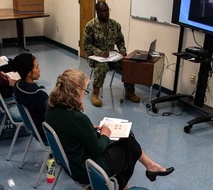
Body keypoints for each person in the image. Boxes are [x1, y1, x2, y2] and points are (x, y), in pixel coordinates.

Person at [44, 69, 174, 190]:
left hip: (71, 162)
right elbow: (97, 150)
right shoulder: (77, 118)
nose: (84, 93)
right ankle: (143, 173)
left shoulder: (51, 108)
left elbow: (69, 132)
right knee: (127, 142)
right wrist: (105, 135)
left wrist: (88, 130)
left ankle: (146, 169)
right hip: (87, 168)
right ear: (77, 90)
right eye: (85, 89)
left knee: (126, 139)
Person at [83, 1, 140, 107]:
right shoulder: (90, 26)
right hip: (95, 58)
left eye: (107, 10)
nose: (106, 13)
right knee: (102, 65)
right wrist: (99, 53)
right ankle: (95, 94)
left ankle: (129, 91)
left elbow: (120, 40)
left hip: (111, 56)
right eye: (103, 11)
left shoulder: (115, 25)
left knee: (128, 63)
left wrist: (122, 50)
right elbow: (86, 45)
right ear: (97, 12)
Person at [11, 53, 48, 142]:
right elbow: (52, 115)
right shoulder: (37, 94)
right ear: (28, 72)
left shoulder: (17, 86)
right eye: (36, 67)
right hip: (45, 133)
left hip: (34, 128)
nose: (39, 70)